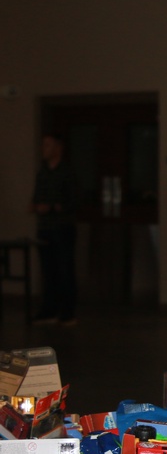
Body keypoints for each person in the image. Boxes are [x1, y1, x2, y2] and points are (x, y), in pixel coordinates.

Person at [30, 134, 78, 325]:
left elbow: (73, 201)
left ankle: (67, 312)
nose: (44, 149)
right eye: (43, 145)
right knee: (48, 271)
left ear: (58, 147)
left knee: (65, 270)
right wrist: (36, 207)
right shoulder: (42, 173)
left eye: (48, 145)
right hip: (45, 228)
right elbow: (35, 198)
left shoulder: (67, 172)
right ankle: (49, 309)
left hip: (62, 228)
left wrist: (53, 207)